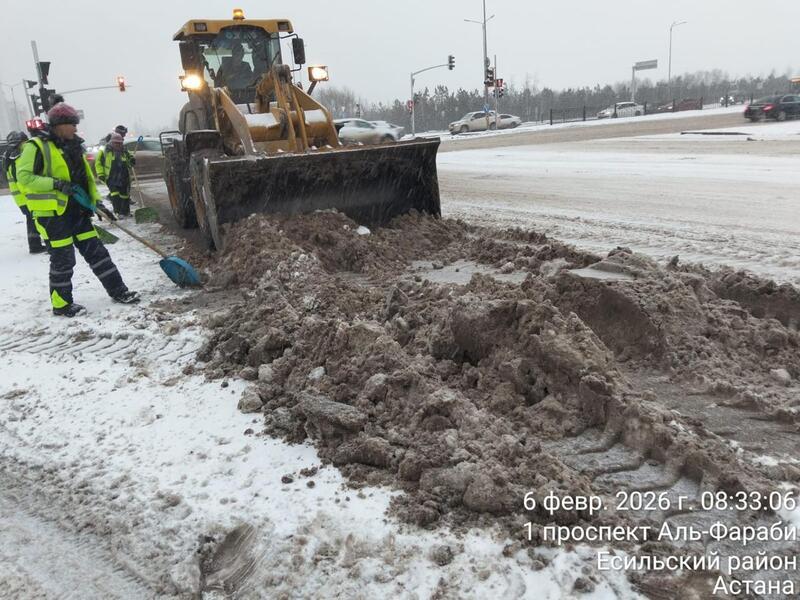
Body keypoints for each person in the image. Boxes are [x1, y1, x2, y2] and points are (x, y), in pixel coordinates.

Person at [15, 102, 139, 317]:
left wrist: (97, 203)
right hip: (53, 216)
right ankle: (61, 304)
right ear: (59, 125)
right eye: (71, 124)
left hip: (78, 212)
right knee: (63, 259)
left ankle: (119, 290)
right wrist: (55, 184)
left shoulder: (74, 146)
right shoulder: (36, 147)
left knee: (98, 253)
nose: (75, 128)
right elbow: (23, 178)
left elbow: (86, 180)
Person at [3, 131, 47, 253]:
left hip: (23, 197)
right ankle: (44, 244)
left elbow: (14, 183)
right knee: (40, 220)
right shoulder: (23, 156)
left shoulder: (9, 158)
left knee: (32, 220)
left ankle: (35, 245)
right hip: (31, 195)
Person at [95, 132, 134, 216]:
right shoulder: (104, 151)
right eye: (116, 143)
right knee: (115, 194)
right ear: (112, 142)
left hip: (124, 177)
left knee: (125, 195)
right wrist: (101, 174)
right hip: (111, 177)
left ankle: (125, 212)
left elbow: (129, 161)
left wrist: (132, 160)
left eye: (119, 143)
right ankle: (118, 212)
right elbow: (98, 163)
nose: (118, 145)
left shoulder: (124, 150)